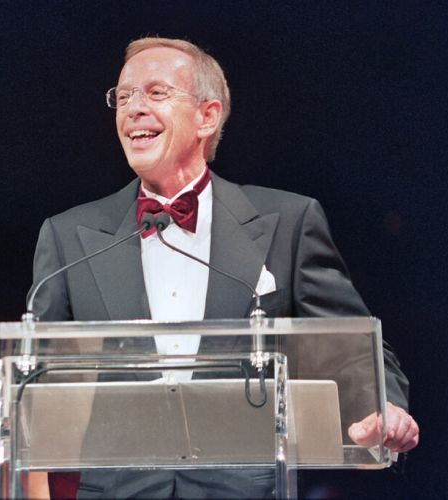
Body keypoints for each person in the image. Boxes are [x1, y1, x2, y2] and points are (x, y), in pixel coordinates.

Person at [29, 37, 419, 498]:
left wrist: (384, 407)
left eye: (156, 93)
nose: (133, 108)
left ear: (207, 116)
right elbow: (29, 367)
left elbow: (350, 347)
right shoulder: (68, 235)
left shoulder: (290, 223)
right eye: (124, 95)